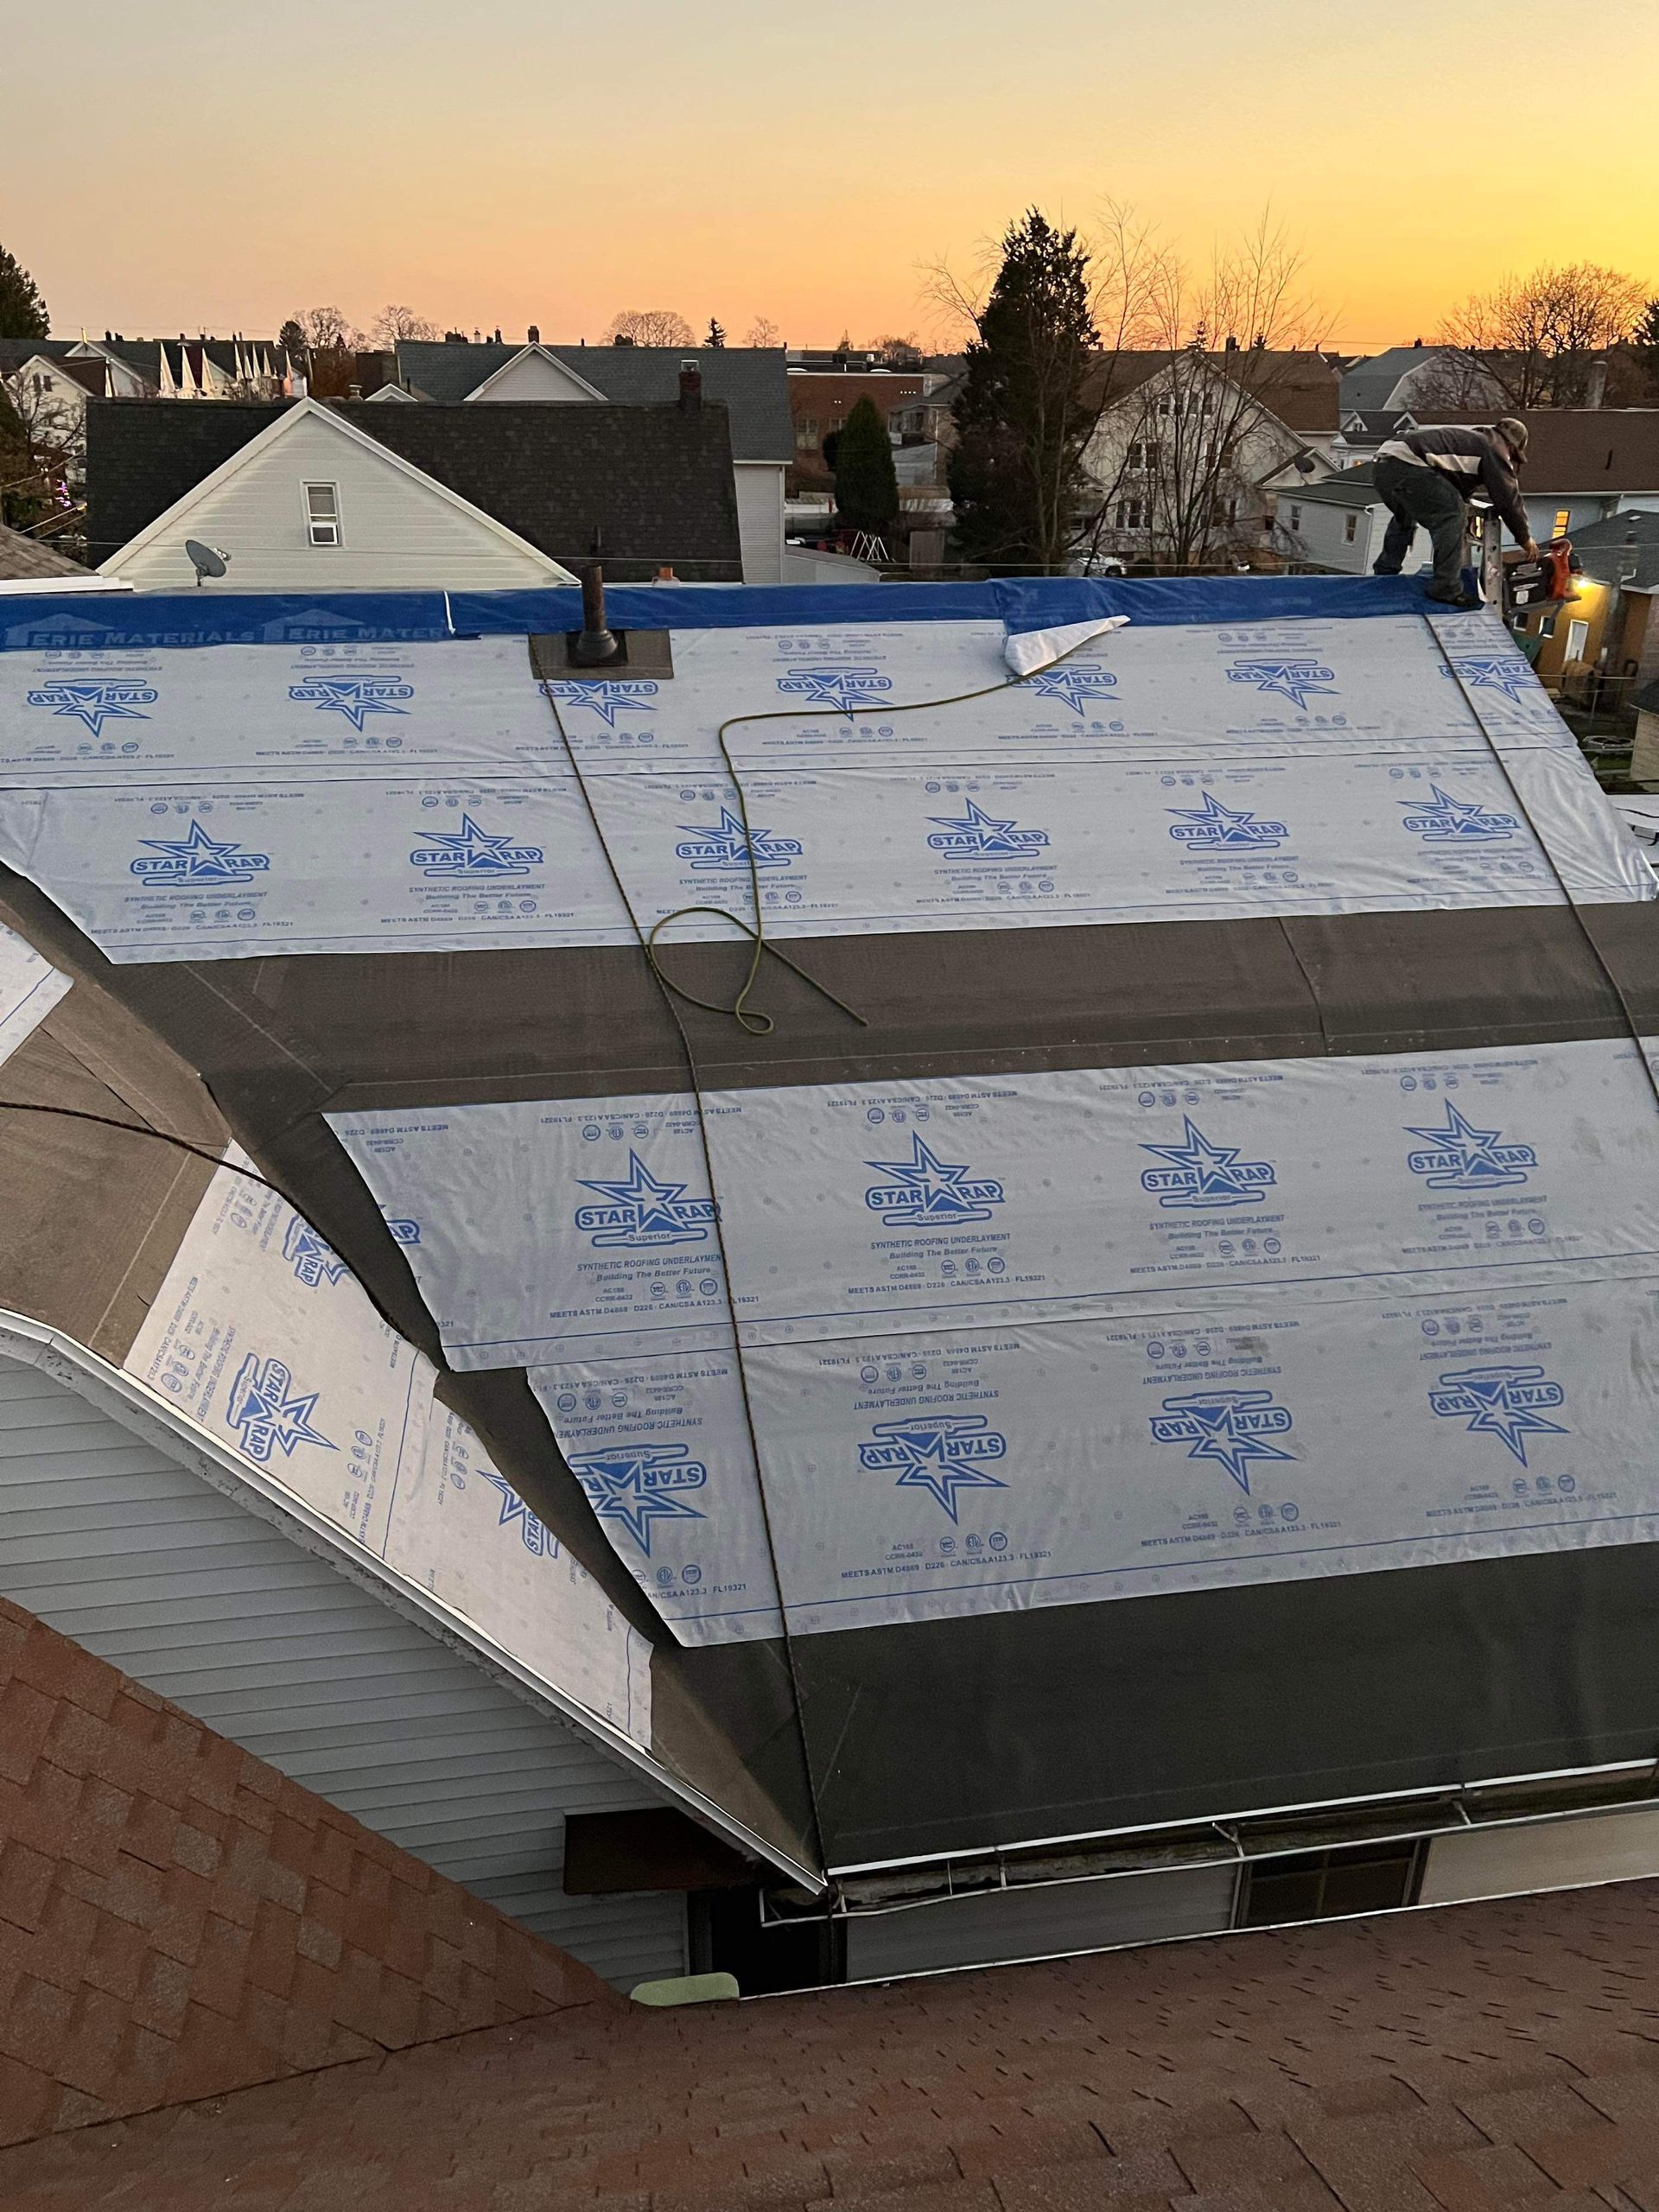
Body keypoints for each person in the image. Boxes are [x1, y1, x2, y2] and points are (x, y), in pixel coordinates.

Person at [1371, 417, 1538, 606]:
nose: (1511, 462)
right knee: (1452, 516)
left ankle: (1386, 570)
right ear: (1512, 446)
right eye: (1513, 458)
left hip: (1383, 463)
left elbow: (1448, 482)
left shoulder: (1472, 440)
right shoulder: (1494, 448)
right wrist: (1524, 537)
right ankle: (1446, 588)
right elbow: (1508, 498)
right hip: (1409, 464)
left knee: (1406, 513)